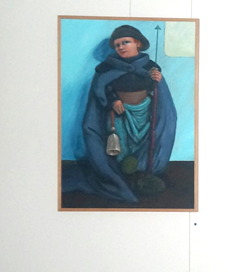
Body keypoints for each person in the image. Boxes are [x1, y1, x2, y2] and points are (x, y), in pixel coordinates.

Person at [64, 24, 177, 203]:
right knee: (120, 146)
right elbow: (101, 87)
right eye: (117, 45)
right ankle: (121, 178)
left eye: (125, 42)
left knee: (144, 144)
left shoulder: (150, 66)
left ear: (138, 43)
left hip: (144, 114)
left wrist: (157, 80)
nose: (121, 47)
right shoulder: (106, 68)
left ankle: (141, 175)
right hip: (118, 115)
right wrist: (113, 100)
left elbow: (155, 90)